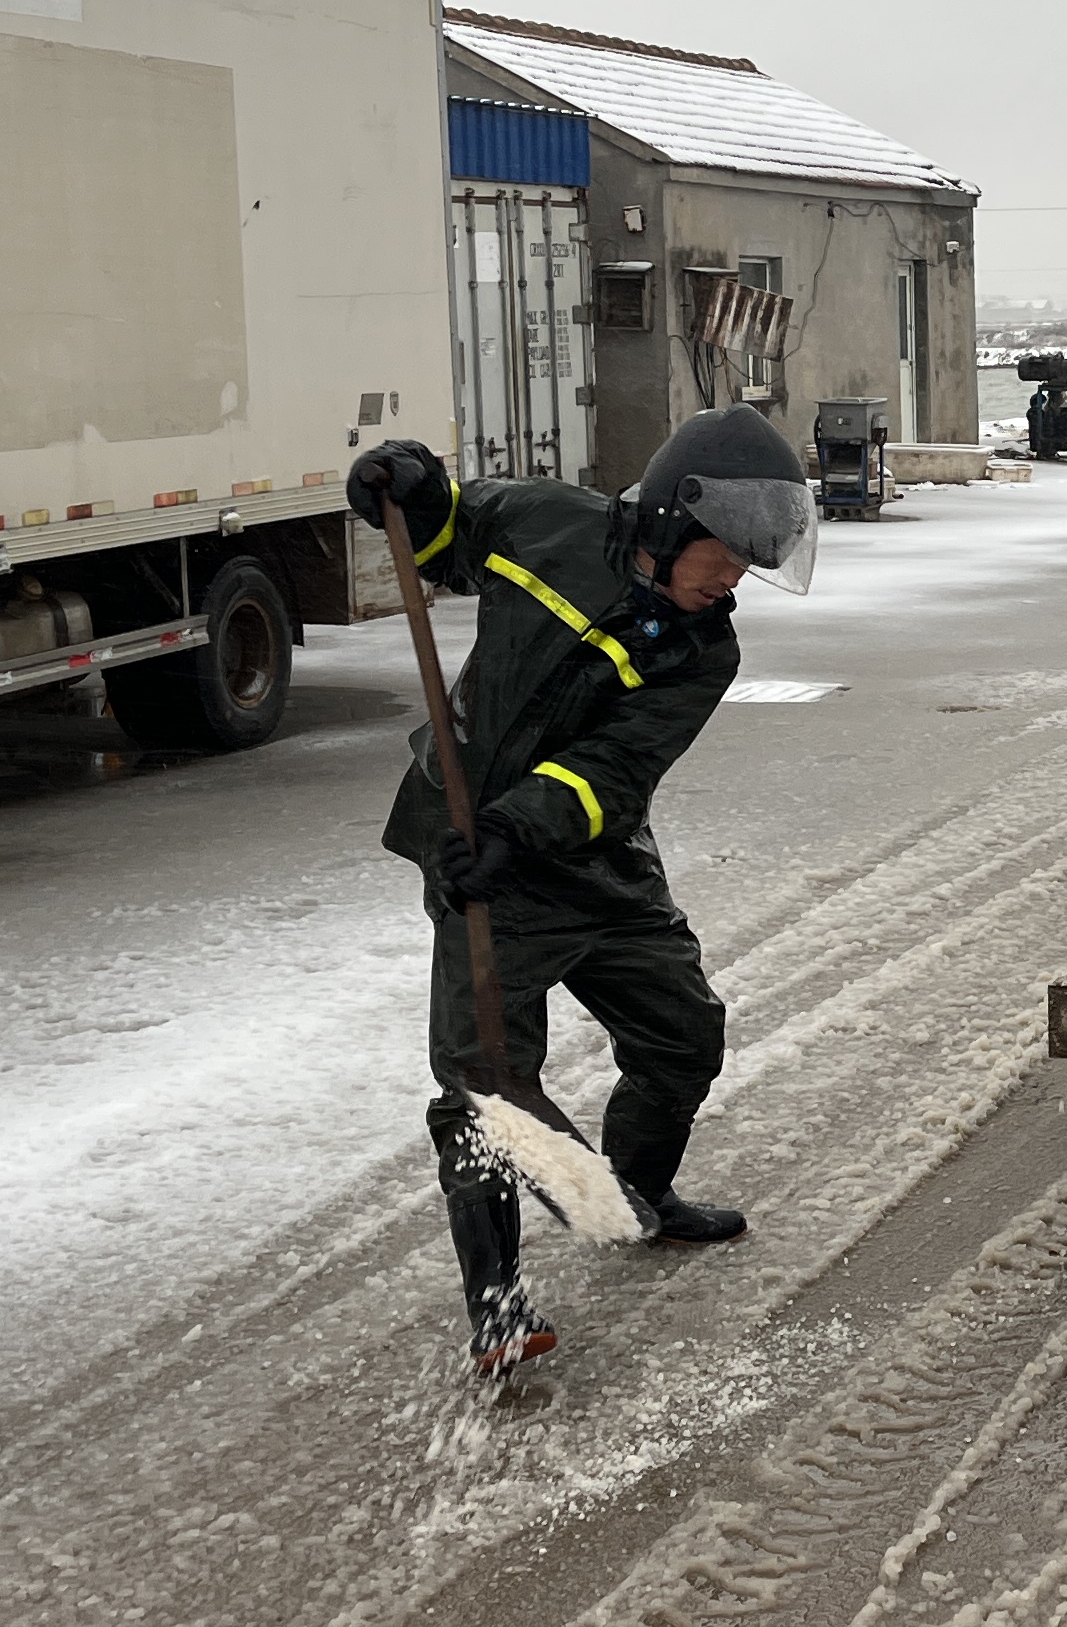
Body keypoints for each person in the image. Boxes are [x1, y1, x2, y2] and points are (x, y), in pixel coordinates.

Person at [346, 405, 818, 1375]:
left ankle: (636, 1196)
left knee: (683, 1035)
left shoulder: (703, 651)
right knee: (484, 1084)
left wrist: (523, 827)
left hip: (592, 857)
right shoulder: (547, 523)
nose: (734, 578)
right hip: (474, 853)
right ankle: (498, 1305)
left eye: (748, 563)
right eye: (728, 555)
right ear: (675, 522)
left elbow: (615, 766)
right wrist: (414, 485)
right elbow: (447, 535)